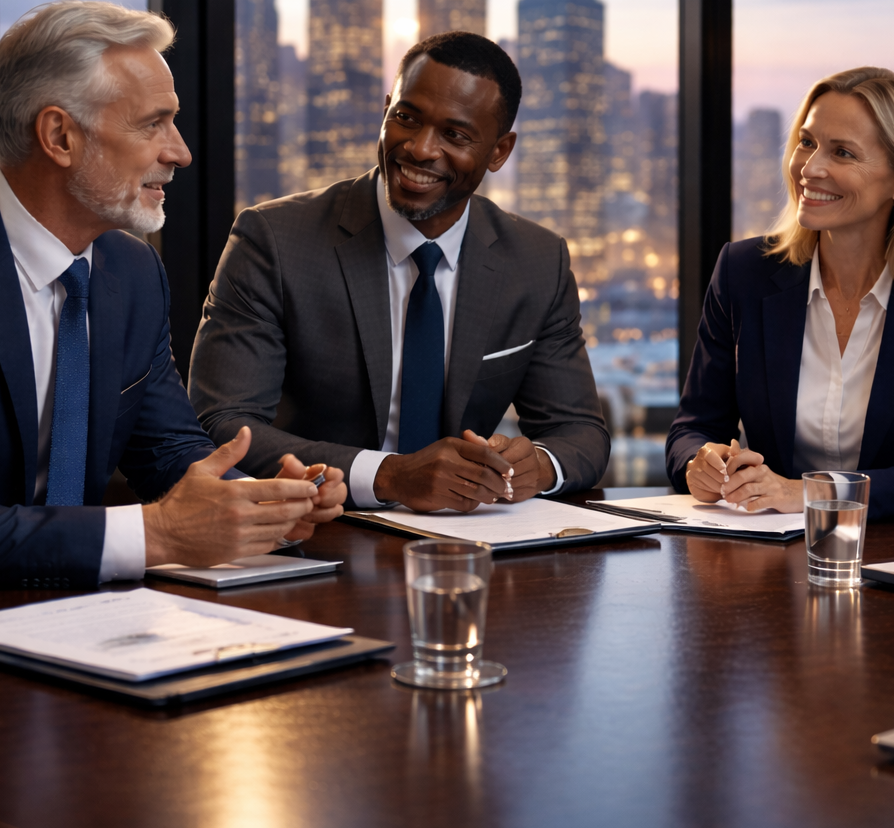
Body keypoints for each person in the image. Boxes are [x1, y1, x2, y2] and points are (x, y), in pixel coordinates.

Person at [0, 0, 348, 665]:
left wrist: (256, 502)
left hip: (85, 630)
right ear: (59, 136)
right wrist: (158, 534)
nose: (179, 152)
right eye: (155, 124)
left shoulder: (131, 270)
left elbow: (166, 451)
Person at [188, 32, 610, 512]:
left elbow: (581, 435)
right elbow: (221, 423)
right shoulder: (274, 240)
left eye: (454, 134)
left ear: (499, 151)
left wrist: (539, 462)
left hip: (466, 541)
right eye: (406, 118)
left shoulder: (537, 259)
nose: (420, 148)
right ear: (387, 109)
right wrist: (388, 476)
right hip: (317, 531)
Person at [666, 68, 894, 520]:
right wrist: (700, 464)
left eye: (842, 152)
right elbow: (693, 427)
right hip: (762, 549)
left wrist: (810, 494)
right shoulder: (742, 272)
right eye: (807, 142)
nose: (809, 168)